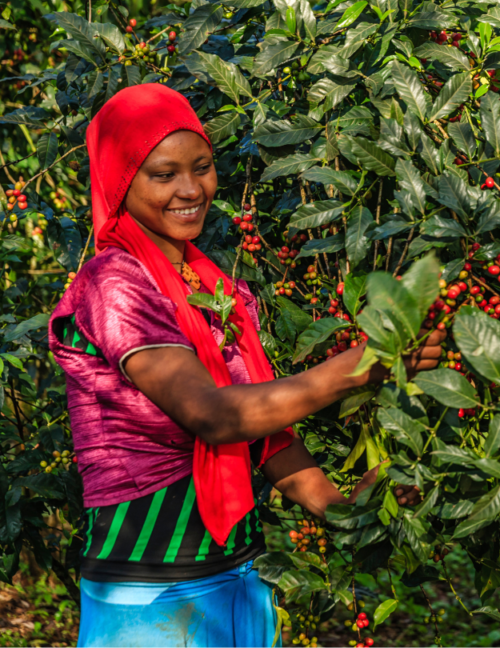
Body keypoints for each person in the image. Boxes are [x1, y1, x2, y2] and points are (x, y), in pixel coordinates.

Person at [48, 83, 444, 647]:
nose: (191, 189)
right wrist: (354, 370)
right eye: (164, 174)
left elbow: (262, 431)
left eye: (203, 167)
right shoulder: (113, 284)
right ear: (121, 181)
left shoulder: (212, 287)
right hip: (149, 593)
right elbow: (213, 416)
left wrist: (347, 509)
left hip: (238, 577)